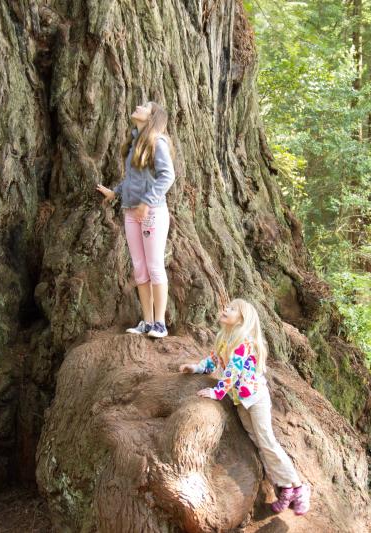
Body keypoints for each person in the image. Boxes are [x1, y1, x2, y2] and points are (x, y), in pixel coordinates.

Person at [179, 299, 311, 515]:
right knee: (259, 442)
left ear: (241, 319)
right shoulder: (224, 338)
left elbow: (232, 372)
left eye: (231, 309)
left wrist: (216, 392)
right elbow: (213, 361)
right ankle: (284, 487)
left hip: (255, 398)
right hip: (240, 401)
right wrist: (195, 367)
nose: (225, 309)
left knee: (267, 440)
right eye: (226, 307)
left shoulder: (244, 343)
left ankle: (298, 487)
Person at [96, 101, 176, 338]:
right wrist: (115, 192)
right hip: (131, 212)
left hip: (151, 213)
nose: (138, 107)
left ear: (152, 116)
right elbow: (135, 179)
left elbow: (167, 176)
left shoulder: (157, 142)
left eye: (144, 106)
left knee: (154, 266)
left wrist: (147, 202)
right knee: (140, 268)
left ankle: (160, 323)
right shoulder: (135, 143)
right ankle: (148, 321)